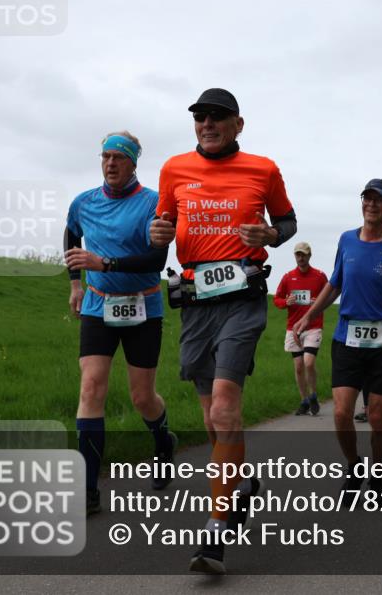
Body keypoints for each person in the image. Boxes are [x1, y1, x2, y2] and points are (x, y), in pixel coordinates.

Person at [150, 88, 297, 575]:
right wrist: (158, 234)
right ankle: (242, 484)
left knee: (227, 403)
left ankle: (216, 527)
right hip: (195, 301)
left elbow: (288, 221)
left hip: (243, 295)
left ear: (238, 124)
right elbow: (162, 226)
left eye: (217, 117)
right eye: (199, 118)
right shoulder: (173, 170)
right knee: (213, 418)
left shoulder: (263, 168)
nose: (206, 124)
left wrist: (271, 235)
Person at [292, 179, 382, 501]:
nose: (371, 204)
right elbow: (335, 284)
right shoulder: (346, 240)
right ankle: (354, 468)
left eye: (379, 200)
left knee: (378, 416)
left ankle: (377, 475)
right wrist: (309, 315)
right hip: (348, 337)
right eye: (367, 198)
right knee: (341, 413)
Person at [64, 131, 174, 516]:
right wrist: (76, 283)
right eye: (106, 156)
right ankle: (88, 488)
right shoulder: (84, 202)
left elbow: (156, 263)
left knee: (142, 397)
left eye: (119, 157)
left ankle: (162, 440)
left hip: (143, 306)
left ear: (133, 163)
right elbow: (71, 234)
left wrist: (105, 264)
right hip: (98, 306)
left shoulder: (153, 203)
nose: (111, 164)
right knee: (91, 387)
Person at [273, 242, 327, 416]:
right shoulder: (288, 277)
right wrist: (285, 302)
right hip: (293, 327)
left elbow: (327, 297)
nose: (300, 258)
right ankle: (304, 400)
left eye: (303, 255)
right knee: (298, 367)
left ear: (309, 256)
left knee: (309, 362)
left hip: (313, 326)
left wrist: (316, 303)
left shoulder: (319, 276)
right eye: (298, 255)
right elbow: (277, 299)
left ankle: (314, 395)